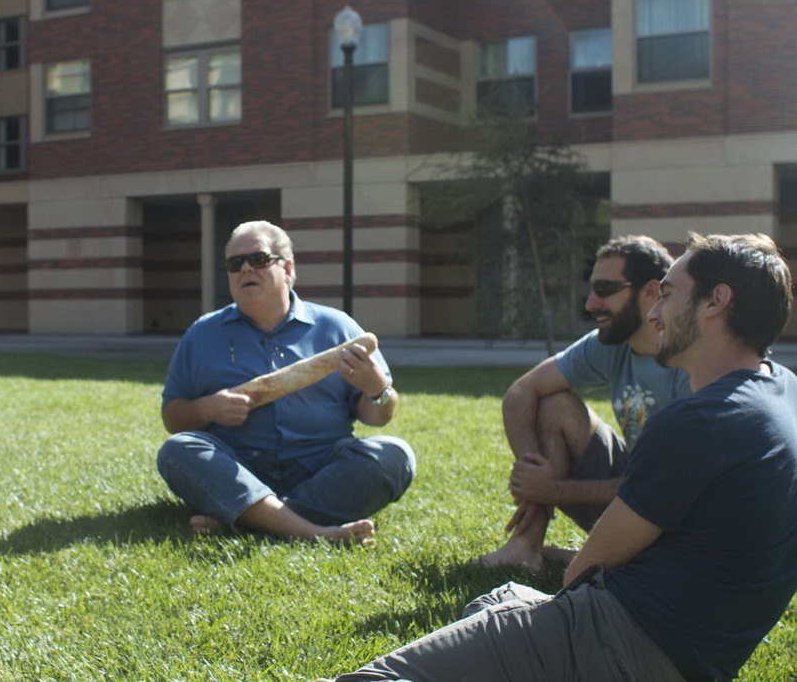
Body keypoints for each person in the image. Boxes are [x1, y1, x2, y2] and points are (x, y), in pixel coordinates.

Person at [325, 233, 797, 681]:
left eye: (668, 295)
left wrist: (553, 499)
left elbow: (583, 572)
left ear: (716, 301)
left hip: (620, 641)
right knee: (501, 598)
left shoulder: (697, 421)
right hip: (696, 658)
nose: (656, 312)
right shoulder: (784, 390)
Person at [157, 220, 415, 543]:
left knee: (395, 454)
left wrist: (375, 386)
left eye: (259, 259)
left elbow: (379, 416)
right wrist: (208, 408)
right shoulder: (202, 334)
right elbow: (173, 419)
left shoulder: (337, 328)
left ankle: (250, 516)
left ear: (288, 269)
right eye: (235, 264)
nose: (246, 269)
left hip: (322, 470)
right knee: (178, 450)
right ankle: (313, 530)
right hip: (239, 468)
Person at [480, 235, 690, 569]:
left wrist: (554, 489)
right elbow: (522, 391)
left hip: (680, 517)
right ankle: (526, 546)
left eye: (605, 289)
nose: (591, 304)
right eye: (591, 289)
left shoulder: (689, 361)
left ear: (651, 291)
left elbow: (666, 485)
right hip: (637, 494)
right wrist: (536, 475)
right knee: (555, 405)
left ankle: (616, 560)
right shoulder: (612, 343)